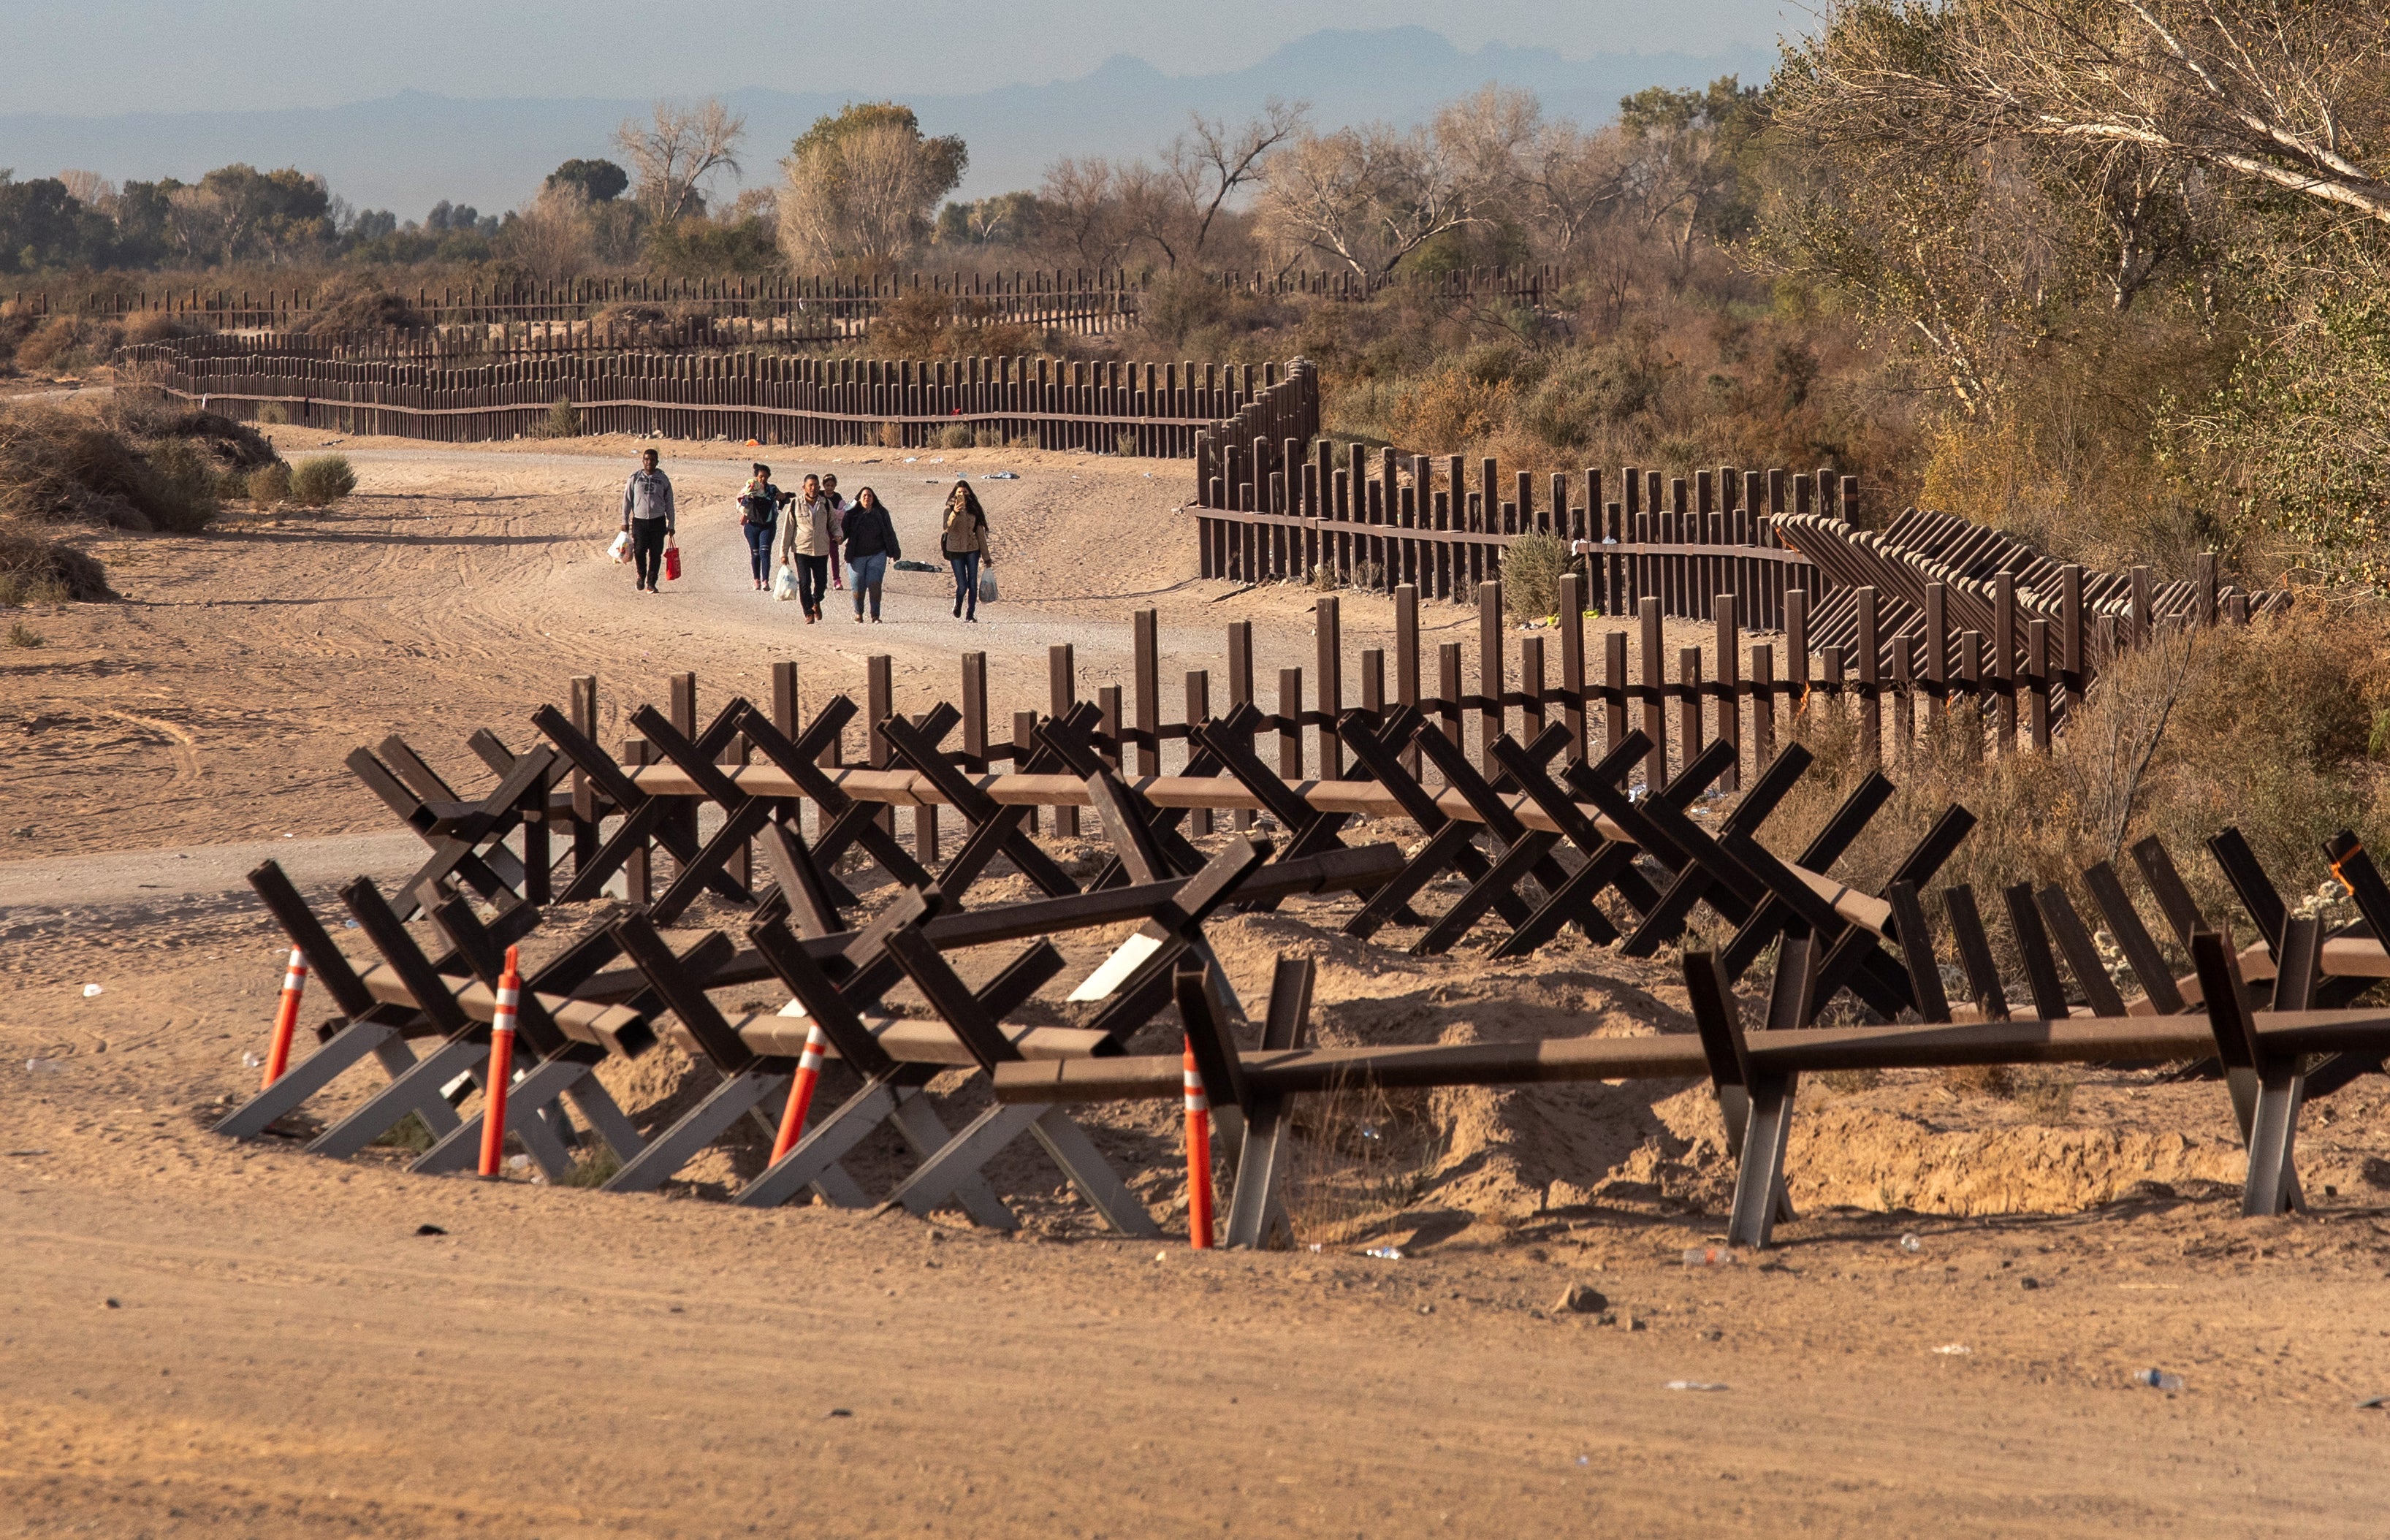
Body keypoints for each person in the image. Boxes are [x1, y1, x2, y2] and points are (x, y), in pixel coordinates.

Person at [779, 473, 838, 623]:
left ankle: (816, 600)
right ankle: (808, 612)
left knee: (822, 583)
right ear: (804, 487)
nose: (813, 488)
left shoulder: (825, 504)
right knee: (804, 582)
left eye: (816, 485)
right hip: (802, 550)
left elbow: (834, 523)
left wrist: (839, 535)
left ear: (819, 487)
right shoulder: (795, 504)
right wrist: (783, 553)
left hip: (821, 550)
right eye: (810, 485)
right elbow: (788, 530)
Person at [840, 486, 900, 623]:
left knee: (874, 584)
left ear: (874, 499)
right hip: (856, 556)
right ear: (859, 499)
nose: (867, 498)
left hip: (877, 555)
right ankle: (858, 613)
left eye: (870, 496)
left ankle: (875, 616)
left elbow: (890, 532)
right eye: (864, 496)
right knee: (858, 587)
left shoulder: (881, 513)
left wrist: (895, 552)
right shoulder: (852, 514)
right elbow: (843, 532)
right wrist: (838, 538)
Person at [620, 447, 674, 593]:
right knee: (639, 550)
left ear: (657, 462)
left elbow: (669, 502)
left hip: (658, 521)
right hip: (639, 521)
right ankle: (641, 575)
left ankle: (651, 583)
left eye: (652, 460)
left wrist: (671, 523)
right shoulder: (635, 478)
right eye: (646, 459)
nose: (649, 462)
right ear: (643, 461)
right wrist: (624, 520)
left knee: (656, 553)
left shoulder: (663, 479)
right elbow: (627, 500)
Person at [939, 479, 992, 622]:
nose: (962, 494)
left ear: (969, 493)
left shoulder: (975, 509)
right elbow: (947, 528)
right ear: (955, 494)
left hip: (972, 549)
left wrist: (986, 557)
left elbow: (980, 534)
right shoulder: (949, 509)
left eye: (965, 492)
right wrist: (955, 512)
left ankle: (970, 614)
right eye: (959, 492)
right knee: (962, 585)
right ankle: (958, 603)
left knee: (973, 584)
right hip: (955, 550)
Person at [737, 462, 788, 591]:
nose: (763, 479)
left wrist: (783, 498)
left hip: (768, 526)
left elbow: (783, 499)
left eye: (765, 477)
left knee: (765, 552)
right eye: (760, 476)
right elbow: (742, 502)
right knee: (755, 554)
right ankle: (757, 581)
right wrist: (750, 496)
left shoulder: (772, 489)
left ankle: (765, 581)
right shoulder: (750, 487)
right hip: (752, 526)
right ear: (756, 476)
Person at [820, 473, 848, 591]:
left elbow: (843, 513)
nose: (830, 488)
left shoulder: (838, 498)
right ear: (824, 485)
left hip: (833, 529)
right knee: (821, 556)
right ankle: (822, 580)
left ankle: (836, 579)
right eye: (827, 485)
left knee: (834, 555)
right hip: (820, 529)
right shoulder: (819, 495)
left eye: (832, 485)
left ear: (835, 486)